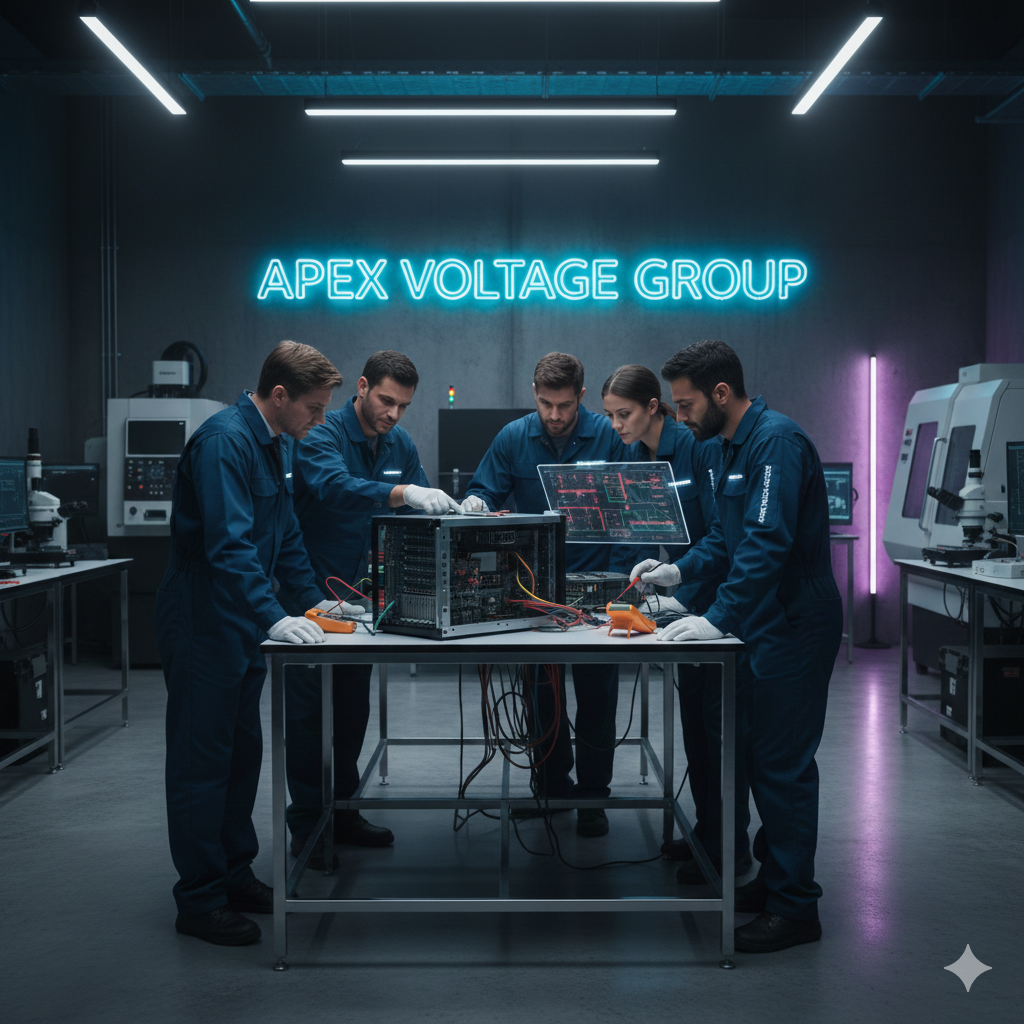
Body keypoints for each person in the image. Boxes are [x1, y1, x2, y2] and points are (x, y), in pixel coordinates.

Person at [631, 339, 841, 954]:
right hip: (758, 618)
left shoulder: (776, 443)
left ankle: (796, 908)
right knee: (752, 755)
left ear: (721, 393)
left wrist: (717, 616)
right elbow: (725, 541)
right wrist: (678, 573)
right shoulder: (721, 448)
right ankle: (774, 881)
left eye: (686, 404)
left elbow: (767, 544)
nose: (680, 415)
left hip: (794, 619)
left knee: (781, 764)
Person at [156, 341, 343, 946]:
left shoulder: (275, 443)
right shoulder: (224, 443)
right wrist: (272, 615)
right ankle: (199, 900)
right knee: (202, 760)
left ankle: (234, 877)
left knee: (241, 755)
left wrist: (312, 603)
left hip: (240, 615)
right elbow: (229, 547)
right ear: (280, 395)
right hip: (204, 613)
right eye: (314, 408)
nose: (321, 420)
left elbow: (285, 536)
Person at [282, 350, 459, 868]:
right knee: (311, 716)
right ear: (361, 387)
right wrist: (405, 492)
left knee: (351, 708)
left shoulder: (399, 443)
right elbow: (334, 488)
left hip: (363, 603)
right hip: (311, 597)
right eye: (386, 401)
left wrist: (456, 511)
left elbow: (420, 508)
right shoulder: (323, 432)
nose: (393, 414)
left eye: (404, 406)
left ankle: (343, 812)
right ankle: (308, 828)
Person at [463, 353, 627, 837]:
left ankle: (593, 797)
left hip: (597, 586)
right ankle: (552, 787)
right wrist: (477, 502)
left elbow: (631, 512)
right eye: (545, 404)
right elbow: (485, 490)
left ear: (581, 396)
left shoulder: (610, 435)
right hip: (534, 590)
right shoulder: (513, 437)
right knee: (540, 695)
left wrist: (625, 585)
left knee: (597, 697)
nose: (554, 415)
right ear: (534, 393)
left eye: (564, 405)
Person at [601, 365, 752, 883]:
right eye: (610, 416)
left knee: (717, 731)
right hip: (684, 603)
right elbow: (639, 528)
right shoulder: (633, 455)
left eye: (624, 414)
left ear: (653, 407)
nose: (616, 425)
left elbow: (720, 537)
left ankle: (730, 849)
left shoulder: (697, 447)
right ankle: (708, 834)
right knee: (696, 729)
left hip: (715, 602)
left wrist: (682, 585)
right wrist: (638, 587)